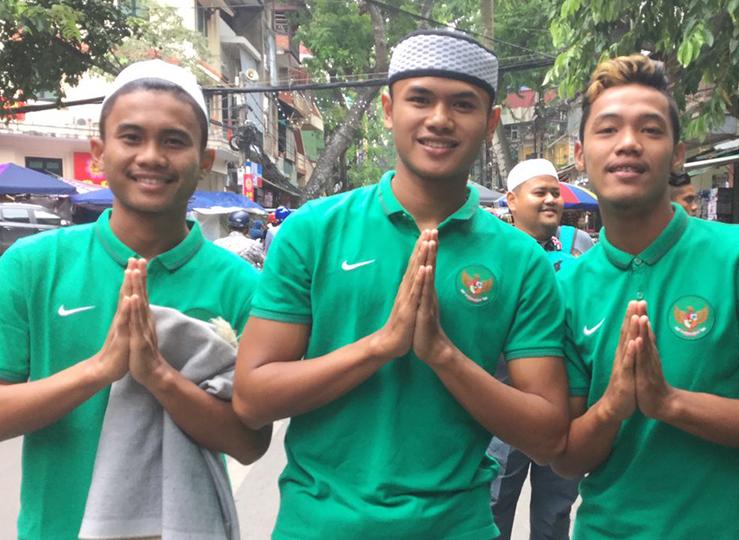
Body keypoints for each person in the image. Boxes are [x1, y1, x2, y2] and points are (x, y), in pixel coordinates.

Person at [233, 29, 569, 539]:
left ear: (490, 121)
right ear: (389, 109)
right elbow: (253, 397)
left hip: (457, 526)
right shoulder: (314, 232)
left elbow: (547, 434)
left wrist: (442, 354)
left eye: (462, 104)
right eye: (420, 99)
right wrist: (380, 347)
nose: (439, 119)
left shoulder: (521, 261)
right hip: (319, 524)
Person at [0, 60, 269, 539]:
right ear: (99, 153)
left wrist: (160, 377)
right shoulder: (33, 265)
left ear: (204, 161)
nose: (151, 156)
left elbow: (249, 443)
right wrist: (101, 369)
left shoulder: (240, 286)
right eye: (131, 137)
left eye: (173, 140)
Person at [552, 54, 739, 539]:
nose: (628, 143)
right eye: (608, 130)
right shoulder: (568, 287)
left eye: (650, 129)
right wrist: (613, 405)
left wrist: (669, 403)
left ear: (676, 153)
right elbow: (566, 457)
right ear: (581, 153)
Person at [490, 158, 580, 539]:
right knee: (493, 507)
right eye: (539, 192)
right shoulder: (493, 253)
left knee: (556, 514)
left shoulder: (580, 248)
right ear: (511, 200)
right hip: (505, 409)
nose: (550, 200)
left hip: (567, 409)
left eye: (555, 193)